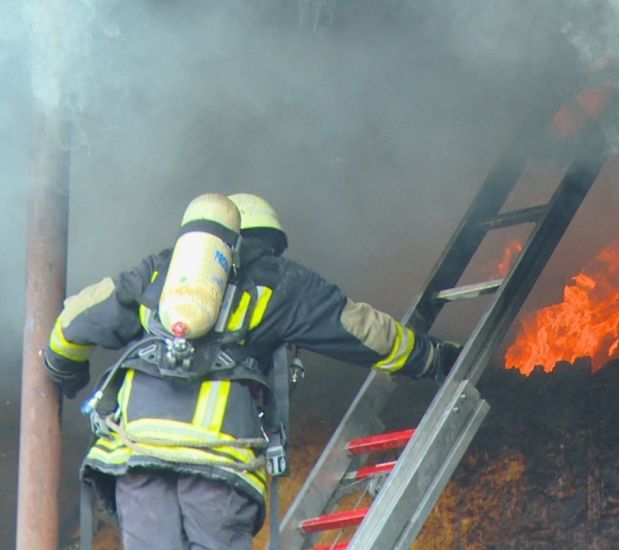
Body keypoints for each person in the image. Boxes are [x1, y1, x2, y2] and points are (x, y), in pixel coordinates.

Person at [43, 192, 458, 549]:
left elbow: (75, 320)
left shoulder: (160, 272)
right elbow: (363, 331)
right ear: (269, 240)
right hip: (217, 463)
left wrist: (65, 370)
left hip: (133, 455)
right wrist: (428, 357)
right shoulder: (282, 281)